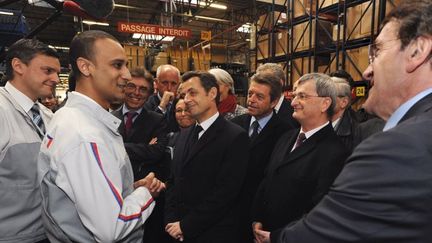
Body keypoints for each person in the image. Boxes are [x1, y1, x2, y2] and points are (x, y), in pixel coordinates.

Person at [255, 1, 432, 242]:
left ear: (417, 51)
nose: (367, 71)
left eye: (377, 51)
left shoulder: (397, 147)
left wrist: (274, 238)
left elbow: (325, 231)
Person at [37, 30, 165, 242]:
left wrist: (129, 191)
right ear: (85, 67)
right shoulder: (85, 135)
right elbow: (111, 228)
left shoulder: (76, 120)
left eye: (125, 65)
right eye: (117, 65)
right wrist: (146, 194)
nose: (126, 75)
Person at [252, 73, 349, 242]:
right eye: (295, 95)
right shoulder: (286, 137)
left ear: (325, 103)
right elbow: (267, 179)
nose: (294, 102)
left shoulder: (335, 152)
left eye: (302, 96)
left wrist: (276, 237)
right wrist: (257, 218)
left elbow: (320, 211)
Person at [164, 71, 249, 243]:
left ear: (212, 93)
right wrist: (171, 221)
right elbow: (174, 181)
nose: (186, 99)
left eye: (192, 92)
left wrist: (186, 225)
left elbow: (225, 194)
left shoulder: (235, 136)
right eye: (183, 94)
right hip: (176, 231)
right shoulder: (185, 134)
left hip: (213, 233)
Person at [0, 38, 60, 243]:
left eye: (57, 72)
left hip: (45, 233)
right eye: (47, 71)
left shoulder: (48, 116)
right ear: (18, 66)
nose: (56, 79)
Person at [112, 66, 169, 243]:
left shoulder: (157, 119)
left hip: (145, 197)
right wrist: (143, 148)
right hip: (114, 193)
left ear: (150, 93)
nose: (136, 93)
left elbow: (156, 153)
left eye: (143, 89)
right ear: (124, 88)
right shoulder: (109, 117)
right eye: (131, 86)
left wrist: (116, 146)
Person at [231, 72, 290, 242]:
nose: (251, 99)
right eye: (250, 94)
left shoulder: (285, 132)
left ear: (274, 102)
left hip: (260, 213)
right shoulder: (235, 125)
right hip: (230, 209)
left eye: (259, 96)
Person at [256, 63, 299, 129]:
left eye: (266, 81)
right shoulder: (253, 111)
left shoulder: (295, 114)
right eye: (258, 81)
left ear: (280, 83)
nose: (260, 85)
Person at [144, 64, 181, 132]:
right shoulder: (146, 103)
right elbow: (147, 130)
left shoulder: (181, 104)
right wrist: (162, 106)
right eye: (165, 83)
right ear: (156, 83)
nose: (169, 88)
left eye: (173, 84)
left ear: (179, 85)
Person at [330, 76, 360, 152]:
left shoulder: (356, 133)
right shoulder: (311, 124)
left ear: (343, 102)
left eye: (329, 96)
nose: (322, 100)